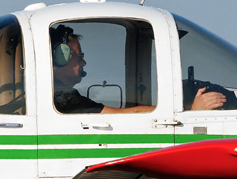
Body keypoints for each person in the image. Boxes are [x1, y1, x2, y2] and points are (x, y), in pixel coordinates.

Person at [51, 24, 224, 114]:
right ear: (60, 56)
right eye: (79, 56)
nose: (83, 63)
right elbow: (120, 116)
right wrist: (190, 112)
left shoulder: (60, 95)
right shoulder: (63, 98)